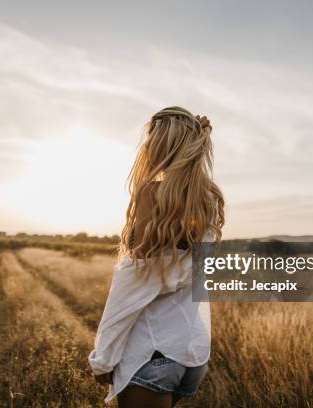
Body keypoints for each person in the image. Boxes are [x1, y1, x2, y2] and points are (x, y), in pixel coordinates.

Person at [88, 106, 225, 407]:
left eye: (150, 139)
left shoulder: (152, 196)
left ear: (161, 145)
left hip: (151, 354)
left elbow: (132, 285)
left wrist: (103, 358)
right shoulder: (209, 200)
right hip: (190, 353)